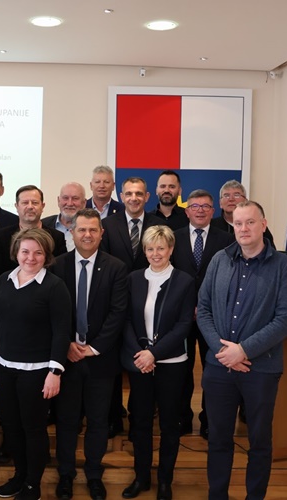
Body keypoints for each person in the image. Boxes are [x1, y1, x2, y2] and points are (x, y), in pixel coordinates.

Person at [197, 200, 287, 500]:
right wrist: (223, 351)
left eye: (250, 222)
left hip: (261, 370)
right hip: (218, 368)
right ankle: (217, 495)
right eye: (238, 223)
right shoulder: (219, 260)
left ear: (263, 225)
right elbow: (203, 309)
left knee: (259, 441)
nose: (243, 228)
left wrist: (242, 351)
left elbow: (285, 320)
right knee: (218, 438)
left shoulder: (283, 267)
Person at [50, 209, 127, 500]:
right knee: (67, 420)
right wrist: (67, 344)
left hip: (100, 359)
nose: (87, 235)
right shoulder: (57, 265)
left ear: (101, 233)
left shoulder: (116, 268)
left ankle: (94, 473)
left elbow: (118, 313)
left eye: (93, 230)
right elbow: (54, 313)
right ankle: (66, 474)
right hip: (67, 359)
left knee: (98, 421)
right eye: (81, 229)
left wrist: (93, 348)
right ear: (72, 232)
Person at [0, 228, 71, 500]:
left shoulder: (54, 286)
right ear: (16, 253)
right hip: (5, 367)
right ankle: (19, 476)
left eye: (38, 252)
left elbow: (62, 331)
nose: (31, 257)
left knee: (33, 429)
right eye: (25, 251)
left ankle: (33, 485)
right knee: (11, 426)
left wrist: (55, 371)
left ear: (46, 256)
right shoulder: (5, 279)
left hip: (36, 372)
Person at [120, 225, 196, 500]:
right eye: (150, 248)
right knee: (140, 422)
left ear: (171, 250)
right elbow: (126, 320)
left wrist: (155, 353)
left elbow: (184, 325)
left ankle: (165, 480)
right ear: (144, 250)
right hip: (140, 361)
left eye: (161, 248)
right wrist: (142, 354)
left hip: (172, 362)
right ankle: (141, 477)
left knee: (169, 423)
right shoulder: (133, 279)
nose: (155, 253)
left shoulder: (184, 281)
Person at [100, 176, 161, 436]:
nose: (134, 198)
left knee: (143, 363)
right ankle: (114, 417)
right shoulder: (107, 225)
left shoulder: (159, 225)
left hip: (150, 304)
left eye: (139, 194)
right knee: (113, 364)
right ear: (121, 196)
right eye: (128, 193)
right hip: (115, 302)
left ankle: (139, 419)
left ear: (147, 197)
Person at [170, 189, 233, 439]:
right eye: (195, 206)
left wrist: (204, 307)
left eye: (205, 206)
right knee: (181, 371)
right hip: (180, 316)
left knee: (213, 370)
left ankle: (209, 420)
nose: (200, 211)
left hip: (214, 318)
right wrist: (188, 306)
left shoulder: (227, 240)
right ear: (187, 211)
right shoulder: (173, 238)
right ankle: (182, 418)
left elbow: (228, 279)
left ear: (213, 211)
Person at [0, 185, 67, 275]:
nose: (30, 207)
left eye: (35, 203)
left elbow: (61, 270)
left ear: (42, 206)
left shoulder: (57, 237)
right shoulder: (3, 236)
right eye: (25, 203)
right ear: (16, 206)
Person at [210, 180, 275, 247]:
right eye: (226, 196)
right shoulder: (211, 226)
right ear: (220, 203)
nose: (231, 199)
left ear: (245, 201)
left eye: (236, 195)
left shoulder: (258, 226)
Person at [41, 182, 87, 251]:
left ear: (84, 203)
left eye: (75, 198)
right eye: (65, 198)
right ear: (58, 200)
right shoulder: (43, 225)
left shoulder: (92, 228)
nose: (70, 203)